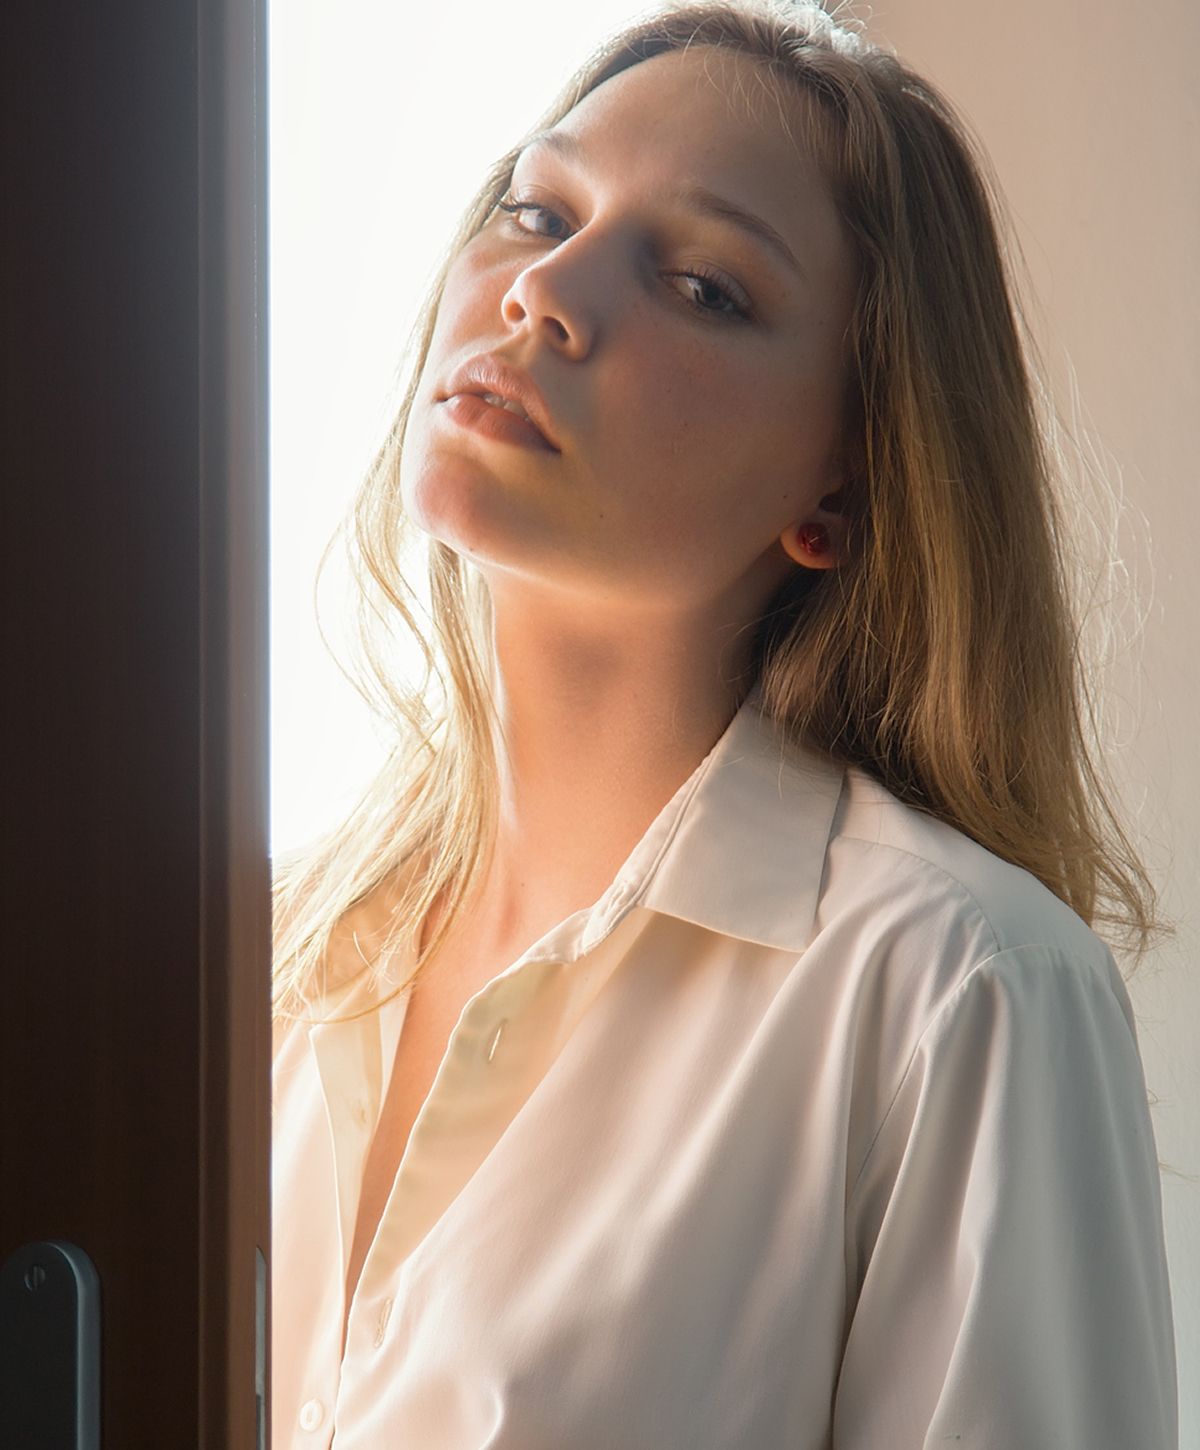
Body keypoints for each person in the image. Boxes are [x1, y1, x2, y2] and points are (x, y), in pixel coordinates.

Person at [269, 2, 1179, 1445]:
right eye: (536, 210)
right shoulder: (263, 956)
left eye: (701, 285)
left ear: (841, 489)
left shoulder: (956, 988)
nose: (544, 291)